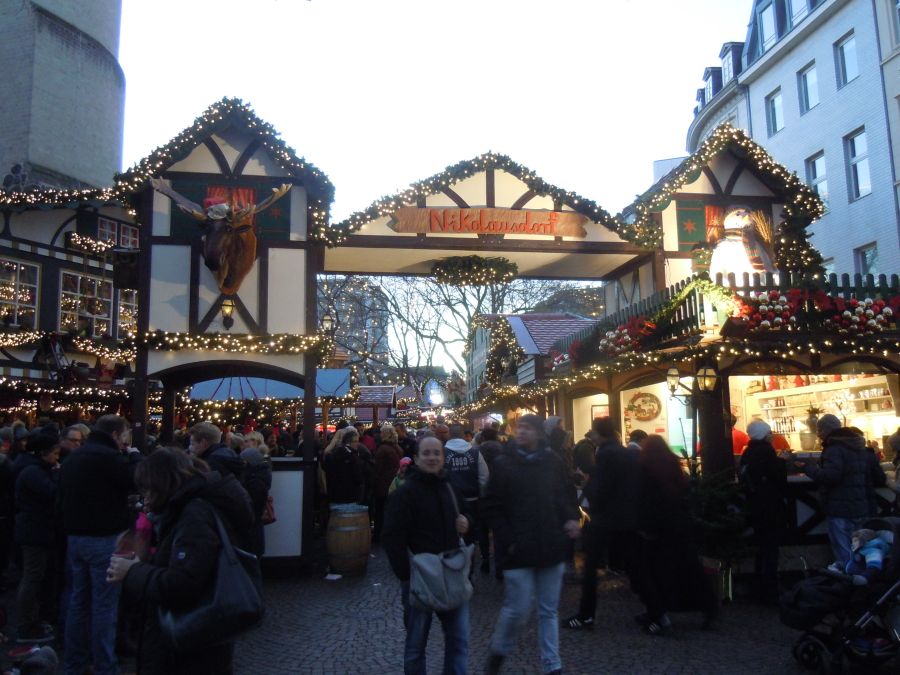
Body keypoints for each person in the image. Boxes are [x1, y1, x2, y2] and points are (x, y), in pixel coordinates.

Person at [107, 448, 255, 674]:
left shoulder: (193, 515)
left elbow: (182, 584)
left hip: (190, 641)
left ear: (161, 485)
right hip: (195, 639)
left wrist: (133, 571)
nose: (144, 499)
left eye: (146, 490)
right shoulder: (189, 509)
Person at [483, 414, 580, 675]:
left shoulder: (553, 461)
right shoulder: (504, 464)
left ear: (538, 433)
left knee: (548, 610)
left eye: (527, 428)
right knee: (518, 609)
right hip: (518, 548)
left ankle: (552, 665)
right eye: (520, 428)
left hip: (550, 544)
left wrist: (570, 518)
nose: (521, 432)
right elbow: (492, 505)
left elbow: (563, 494)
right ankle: (498, 651)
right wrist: (508, 540)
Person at [60, 414, 141, 675]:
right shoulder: (111, 459)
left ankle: (74, 662)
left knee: (78, 602)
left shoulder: (74, 457)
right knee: (104, 606)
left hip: (75, 537)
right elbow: (136, 480)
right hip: (104, 537)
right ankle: (106, 666)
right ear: (117, 435)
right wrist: (135, 456)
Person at [382, 436, 470, 675]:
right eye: (427, 453)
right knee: (415, 644)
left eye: (436, 453)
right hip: (420, 576)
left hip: (451, 572)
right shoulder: (405, 493)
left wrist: (466, 522)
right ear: (418, 458)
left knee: (459, 641)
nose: (432, 457)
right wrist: (406, 574)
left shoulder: (450, 487)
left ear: (443, 458)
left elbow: (466, 514)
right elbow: (391, 536)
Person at [633, 435, 717, 635]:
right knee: (688, 569)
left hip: (658, 528)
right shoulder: (673, 465)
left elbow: (645, 500)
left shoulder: (645, 467)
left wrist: (644, 525)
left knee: (656, 572)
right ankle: (707, 607)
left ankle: (657, 613)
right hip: (678, 526)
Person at [565, 416, 640, 630]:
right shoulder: (622, 451)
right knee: (635, 566)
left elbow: (601, 492)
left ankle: (585, 615)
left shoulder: (606, 454)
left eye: (594, 431)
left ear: (601, 433)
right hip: (624, 518)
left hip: (606, 519)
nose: (591, 435)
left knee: (590, 569)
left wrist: (585, 482)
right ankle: (657, 612)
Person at [798, 414, 886, 567]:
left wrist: (807, 468)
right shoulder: (859, 447)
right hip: (862, 507)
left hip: (840, 509)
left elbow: (831, 476)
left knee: (845, 554)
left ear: (825, 430)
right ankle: (864, 584)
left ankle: (848, 582)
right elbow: (876, 477)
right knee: (863, 550)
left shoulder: (834, 449)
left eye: (819, 430)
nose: (818, 434)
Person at [14, 430, 62, 643]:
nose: (57, 457)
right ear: (43, 452)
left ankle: (32, 620)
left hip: (37, 529)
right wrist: (58, 475)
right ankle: (25, 625)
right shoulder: (33, 472)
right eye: (54, 453)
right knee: (32, 577)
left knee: (36, 576)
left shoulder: (34, 469)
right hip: (35, 531)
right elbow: (52, 492)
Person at [739, 420, 787, 604]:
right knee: (771, 549)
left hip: (755, 508)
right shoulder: (767, 453)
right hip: (770, 507)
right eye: (769, 433)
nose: (771, 436)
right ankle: (770, 589)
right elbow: (779, 478)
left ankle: (760, 585)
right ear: (763, 435)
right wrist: (783, 462)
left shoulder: (748, 452)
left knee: (761, 548)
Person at [443, 424, 489, 570]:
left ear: (450, 434)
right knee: (478, 531)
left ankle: (458, 565)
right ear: (463, 435)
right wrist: (482, 495)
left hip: (451, 502)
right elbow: (484, 477)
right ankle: (482, 558)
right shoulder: (475, 452)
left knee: (453, 533)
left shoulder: (443, 452)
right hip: (473, 499)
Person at [372, 425, 402, 542]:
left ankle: (379, 536)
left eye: (381, 432)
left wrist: (373, 484)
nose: (379, 434)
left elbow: (377, 470)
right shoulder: (397, 448)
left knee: (380, 512)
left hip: (383, 485)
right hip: (394, 484)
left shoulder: (383, 449)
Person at [241, 446, 272, 557]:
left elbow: (254, 508)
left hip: (252, 528)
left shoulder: (254, 482)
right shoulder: (260, 476)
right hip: (256, 528)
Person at [322, 428, 364, 505]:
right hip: (349, 493)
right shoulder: (352, 455)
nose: (357, 444)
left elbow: (326, 468)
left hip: (335, 492)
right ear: (349, 442)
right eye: (356, 441)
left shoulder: (333, 453)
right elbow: (357, 475)